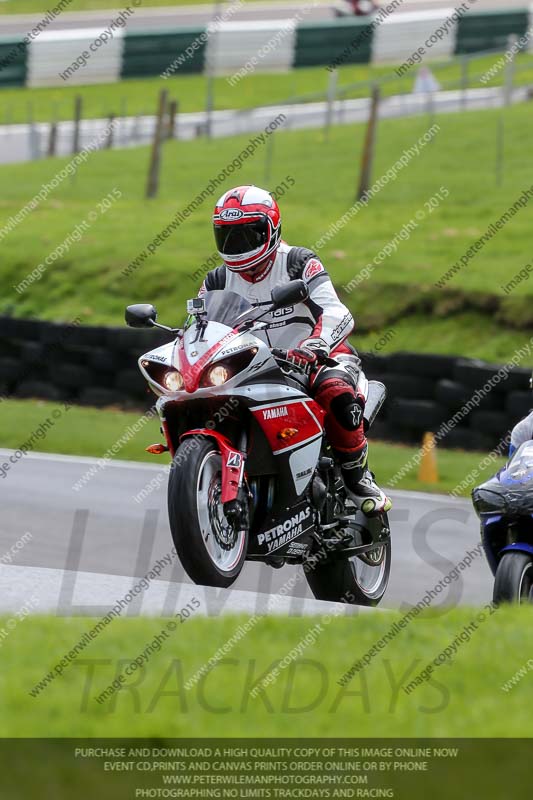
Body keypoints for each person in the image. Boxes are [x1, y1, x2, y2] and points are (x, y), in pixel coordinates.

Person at [199, 185, 391, 516]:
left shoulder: (298, 262)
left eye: (247, 235)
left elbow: (336, 311)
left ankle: (357, 477)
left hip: (315, 355)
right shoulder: (217, 279)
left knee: (335, 389)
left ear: (271, 229)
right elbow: (198, 327)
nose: (237, 246)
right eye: (228, 236)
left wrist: (315, 344)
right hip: (252, 366)